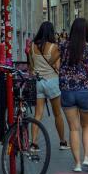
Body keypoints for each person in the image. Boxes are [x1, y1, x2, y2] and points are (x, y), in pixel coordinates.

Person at [58, 17, 88, 172]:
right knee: (87, 126)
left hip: (67, 90)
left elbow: (54, 62)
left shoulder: (63, 45)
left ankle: (77, 164)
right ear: (86, 30)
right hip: (85, 89)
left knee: (73, 129)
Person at [28, 21, 67, 151]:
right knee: (57, 114)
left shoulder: (32, 46)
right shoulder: (54, 47)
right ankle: (62, 142)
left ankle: (34, 143)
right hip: (52, 82)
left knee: (37, 114)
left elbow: (32, 68)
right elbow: (58, 66)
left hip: (39, 82)